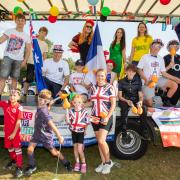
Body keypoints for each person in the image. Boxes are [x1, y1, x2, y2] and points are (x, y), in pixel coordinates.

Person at [24, 89, 72, 176]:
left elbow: (52, 124)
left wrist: (59, 136)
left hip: (46, 136)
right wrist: (49, 104)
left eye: (44, 100)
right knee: (29, 149)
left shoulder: (43, 111)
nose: (41, 100)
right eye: (40, 98)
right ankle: (32, 165)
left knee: (54, 153)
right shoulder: (42, 106)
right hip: (37, 133)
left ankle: (66, 163)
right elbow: (46, 108)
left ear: (47, 101)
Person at [137, 39, 180, 107]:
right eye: (156, 45)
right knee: (150, 104)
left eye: (159, 47)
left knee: (174, 84)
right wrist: (146, 79)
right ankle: (141, 100)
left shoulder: (160, 59)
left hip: (157, 79)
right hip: (148, 81)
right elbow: (139, 70)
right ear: (151, 46)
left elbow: (163, 73)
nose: (157, 48)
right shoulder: (145, 56)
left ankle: (166, 100)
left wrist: (176, 79)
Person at [90, 69, 116, 174]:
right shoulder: (93, 88)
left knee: (101, 140)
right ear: (96, 77)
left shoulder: (110, 87)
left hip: (106, 116)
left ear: (105, 77)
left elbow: (113, 104)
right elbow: (91, 103)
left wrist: (107, 116)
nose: (100, 77)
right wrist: (78, 104)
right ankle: (103, 162)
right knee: (99, 142)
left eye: (102, 76)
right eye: (98, 76)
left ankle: (108, 162)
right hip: (94, 117)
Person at [0, 14, 31, 100]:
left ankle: (12, 99)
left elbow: (28, 50)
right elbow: (1, 40)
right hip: (8, 57)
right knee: (2, 77)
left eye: (22, 20)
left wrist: (24, 61)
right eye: (19, 20)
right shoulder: (10, 31)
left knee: (14, 79)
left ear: (25, 22)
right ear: (16, 21)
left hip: (19, 60)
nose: (20, 22)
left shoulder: (26, 36)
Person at [118, 64, 149, 142]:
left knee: (144, 109)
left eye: (133, 71)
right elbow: (120, 96)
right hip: (125, 99)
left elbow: (140, 95)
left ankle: (143, 132)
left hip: (135, 100)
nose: (131, 73)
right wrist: (127, 101)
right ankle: (124, 133)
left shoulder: (138, 81)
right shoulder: (121, 81)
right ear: (126, 72)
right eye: (129, 71)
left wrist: (140, 102)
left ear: (135, 73)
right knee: (124, 110)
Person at [0, 89, 23, 178]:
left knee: (17, 148)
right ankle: (14, 160)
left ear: (18, 97)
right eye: (11, 95)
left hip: (15, 133)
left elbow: (18, 121)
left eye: (14, 95)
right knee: (9, 148)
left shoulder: (19, 107)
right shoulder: (6, 104)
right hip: (7, 132)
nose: (12, 97)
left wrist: (14, 133)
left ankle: (19, 167)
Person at [23, 27, 48, 100]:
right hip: (30, 62)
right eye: (42, 32)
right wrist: (25, 61)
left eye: (45, 33)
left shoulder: (45, 44)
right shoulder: (33, 40)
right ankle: (24, 95)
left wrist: (43, 65)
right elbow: (27, 51)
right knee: (28, 79)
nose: (43, 34)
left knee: (38, 80)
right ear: (39, 32)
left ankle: (37, 96)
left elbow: (44, 55)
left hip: (39, 65)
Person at [67, 94, 89, 173]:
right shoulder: (71, 111)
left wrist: (85, 130)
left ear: (82, 103)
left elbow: (86, 122)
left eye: (79, 102)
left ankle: (83, 164)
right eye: (75, 102)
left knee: (80, 149)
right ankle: (77, 163)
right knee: (75, 148)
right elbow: (68, 121)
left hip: (80, 132)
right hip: (74, 132)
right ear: (72, 103)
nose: (77, 104)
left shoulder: (84, 111)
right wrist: (66, 110)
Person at [163, 40, 180, 106]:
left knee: (173, 103)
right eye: (172, 45)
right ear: (169, 47)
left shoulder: (179, 57)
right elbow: (163, 71)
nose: (174, 47)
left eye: (176, 45)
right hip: (170, 81)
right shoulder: (165, 57)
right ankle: (166, 99)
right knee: (168, 103)